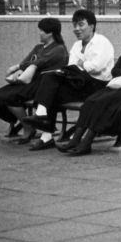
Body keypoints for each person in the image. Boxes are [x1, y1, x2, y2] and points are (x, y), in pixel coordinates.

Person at [58, 16, 121, 156]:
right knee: (92, 100)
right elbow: (115, 70)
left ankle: (86, 143)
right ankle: (76, 139)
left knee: (102, 102)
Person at [20, 9, 115, 150]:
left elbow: (96, 67)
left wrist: (81, 64)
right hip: (80, 83)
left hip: (97, 86)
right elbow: (71, 66)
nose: (77, 29)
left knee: (52, 88)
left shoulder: (102, 42)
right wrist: (81, 66)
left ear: (92, 26)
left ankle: (42, 118)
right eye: (75, 25)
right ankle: (45, 131)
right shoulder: (77, 45)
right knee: (50, 80)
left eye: (81, 25)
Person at [0, 17, 69, 146]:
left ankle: (28, 128)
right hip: (28, 81)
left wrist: (20, 68)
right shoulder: (39, 47)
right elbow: (25, 62)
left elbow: (38, 62)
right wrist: (19, 68)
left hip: (42, 83)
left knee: (11, 97)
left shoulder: (58, 49)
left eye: (41, 31)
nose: (39, 33)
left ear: (50, 33)